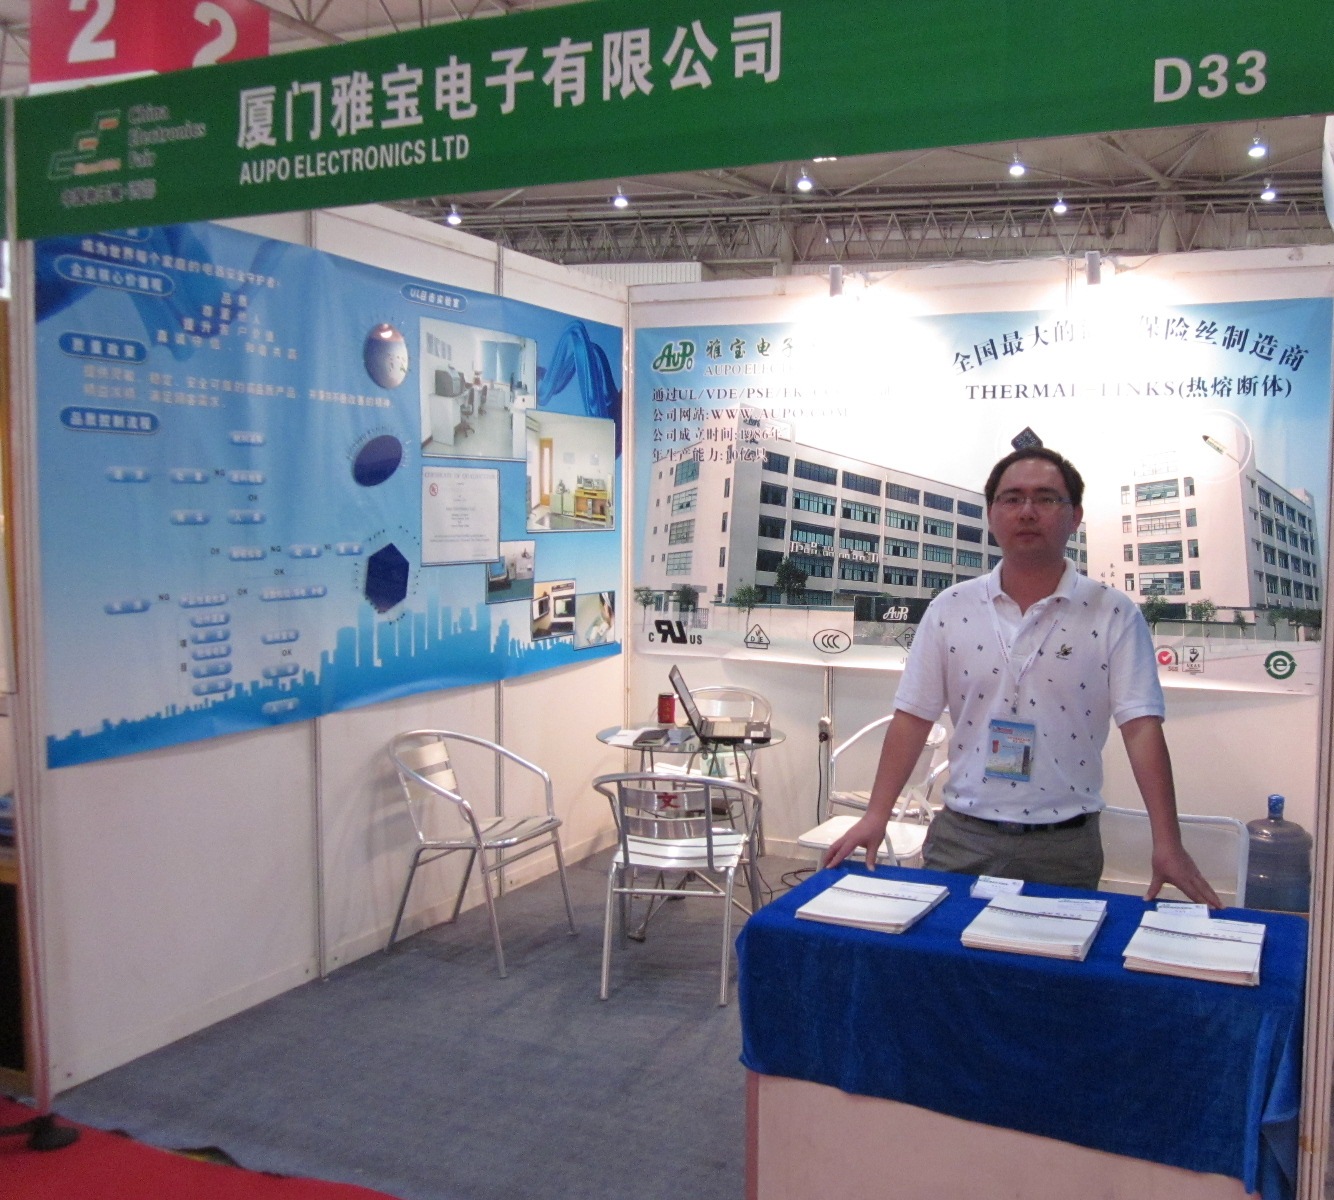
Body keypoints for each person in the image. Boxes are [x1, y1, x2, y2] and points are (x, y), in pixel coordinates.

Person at [823, 446, 1221, 906]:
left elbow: (1141, 728)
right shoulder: (950, 608)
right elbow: (913, 717)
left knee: (1053, 954)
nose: (1027, 511)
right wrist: (876, 814)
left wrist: (1167, 842)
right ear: (991, 515)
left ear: (1075, 517)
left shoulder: (1114, 614)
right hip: (962, 837)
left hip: (1064, 846)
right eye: (1012, 499)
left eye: (1046, 498)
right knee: (946, 950)